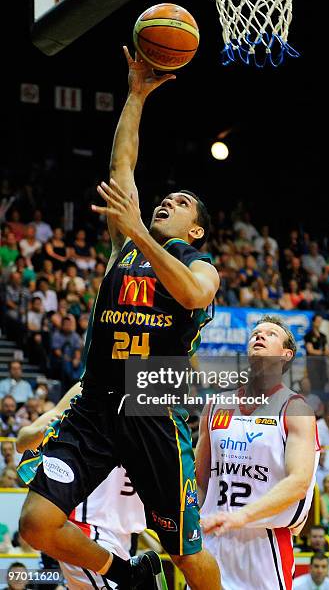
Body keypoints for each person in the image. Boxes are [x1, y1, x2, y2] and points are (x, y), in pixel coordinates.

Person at [19, 47, 221, 590]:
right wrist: (135, 95)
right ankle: (125, 575)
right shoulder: (127, 244)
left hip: (153, 408)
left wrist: (140, 235)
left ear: (195, 230)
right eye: (166, 198)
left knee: (187, 555)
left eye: (180, 203)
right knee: (36, 525)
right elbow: (122, 167)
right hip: (97, 403)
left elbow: (194, 298)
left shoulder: (200, 264)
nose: (166, 202)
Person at [198, 315, 320, 590]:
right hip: (211, 538)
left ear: (286, 355)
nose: (260, 336)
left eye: (270, 334)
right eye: (256, 333)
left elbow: (298, 482)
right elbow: (200, 479)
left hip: (263, 541)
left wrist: (242, 516)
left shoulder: (296, 408)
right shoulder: (216, 404)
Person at [17, 382, 146, 590]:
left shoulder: (153, 392)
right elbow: (21, 442)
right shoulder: (87, 388)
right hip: (86, 526)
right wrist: (43, 430)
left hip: (126, 529)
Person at [304, 315, 329, 391]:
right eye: (318, 321)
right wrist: (323, 352)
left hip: (322, 364)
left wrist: (327, 352)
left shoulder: (323, 336)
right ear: (313, 322)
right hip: (313, 364)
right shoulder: (309, 335)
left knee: (323, 383)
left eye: (320, 321)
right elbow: (310, 350)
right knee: (314, 383)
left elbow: (327, 349)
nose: (319, 323)